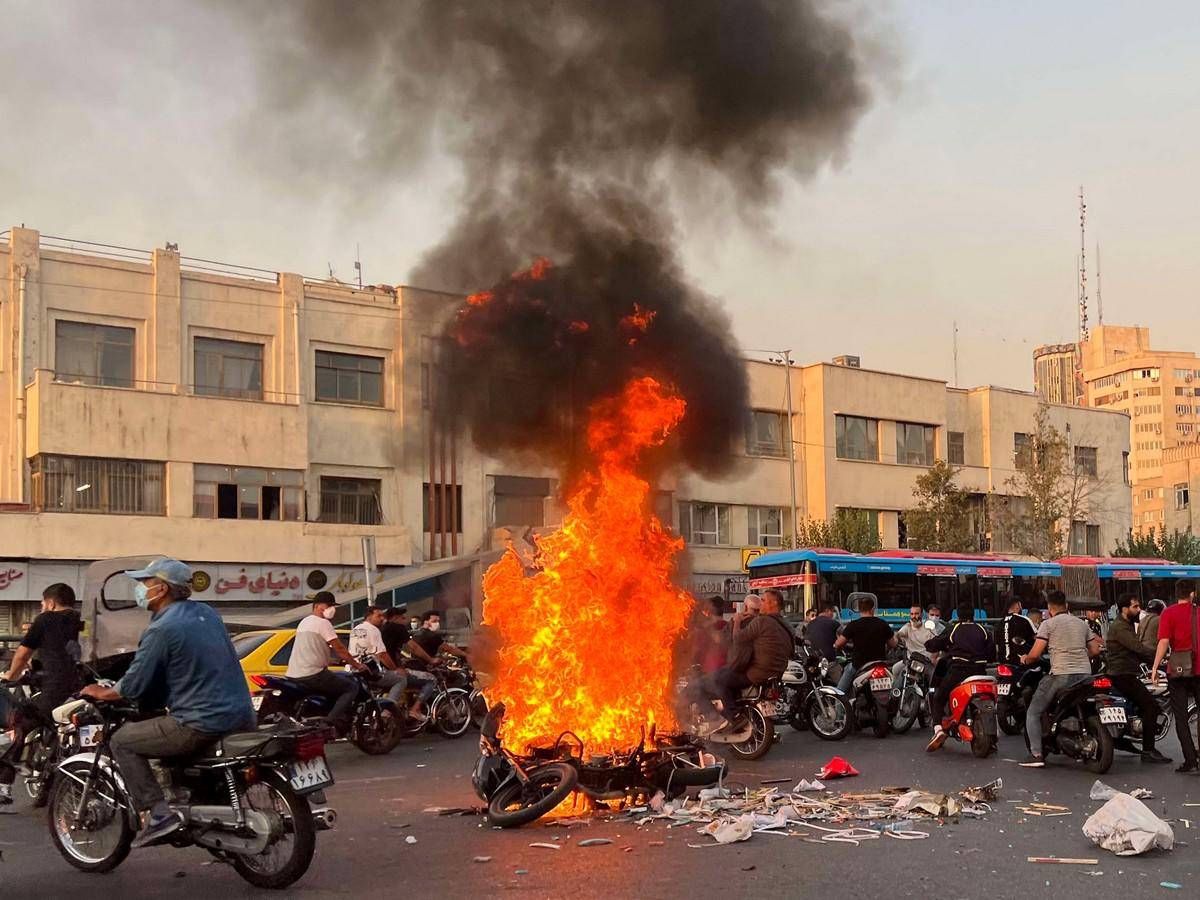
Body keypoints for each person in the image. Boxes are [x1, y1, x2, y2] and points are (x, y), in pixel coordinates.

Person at [79, 558, 256, 847]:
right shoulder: (207, 613)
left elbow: (134, 684)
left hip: (200, 722)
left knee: (122, 741)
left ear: (160, 589)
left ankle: (159, 813)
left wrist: (102, 692)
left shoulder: (163, 627)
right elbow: (185, 666)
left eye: (143, 584)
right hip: (242, 715)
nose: (139, 590)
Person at [0, 583, 83, 806]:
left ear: (50, 602)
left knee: (19, 724)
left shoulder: (45, 620)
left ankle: (4, 787)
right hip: (83, 689)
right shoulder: (81, 620)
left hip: (54, 690)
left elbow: (22, 652)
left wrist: (9, 676)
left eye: (41, 604)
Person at [1018, 591, 1103, 768]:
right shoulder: (1081, 624)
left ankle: (1036, 754)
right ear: (1067, 606)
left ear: (1049, 608)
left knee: (1033, 712)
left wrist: (1025, 658)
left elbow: (1035, 654)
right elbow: (1095, 650)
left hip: (1061, 675)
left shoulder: (1048, 624)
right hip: (1085, 675)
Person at [699, 589, 793, 730]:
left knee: (716, 680)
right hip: (776, 674)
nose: (761, 603)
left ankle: (731, 717)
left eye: (763, 600)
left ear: (773, 603)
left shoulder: (762, 621)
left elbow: (738, 638)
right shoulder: (786, 624)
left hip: (756, 674)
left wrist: (736, 621)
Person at [285, 592, 366, 736]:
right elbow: (340, 649)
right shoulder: (323, 623)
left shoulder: (304, 622)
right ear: (317, 606)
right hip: (313, 674)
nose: (332, 609)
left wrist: (331, 660)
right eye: (329, 605)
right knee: (351, 687)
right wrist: (357, 665)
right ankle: (329, 722)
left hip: (294, 673)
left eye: (333, 606)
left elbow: (311, 648)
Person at [1107, 594, 1171, 764]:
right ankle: (1148, 750)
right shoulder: (1120, 627)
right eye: (1135, 607)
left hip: (1127, 672)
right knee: (1150, 707)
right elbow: (1137, 648)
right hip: (1122, 675)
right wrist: (1159, 658)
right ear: (1124, 609)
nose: (1139, 610)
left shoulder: (1127, 625)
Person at [925, 603, 995, 751]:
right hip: (980, 671)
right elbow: (992, 654)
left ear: (958, 616)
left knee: (938, 697)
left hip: (958, 671)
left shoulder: (954, 629)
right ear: (973, 615)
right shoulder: (983, 630)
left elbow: (935, 643)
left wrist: (930, 644)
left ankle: (938, 730)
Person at [1151, 580, 1200, 774]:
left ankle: (1190, 760)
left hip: (1178, 670)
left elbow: (1164, 642)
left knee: (1181, 717)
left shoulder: (1168, 613)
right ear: (1192, 594)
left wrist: (1155, 667)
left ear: (1176, 593)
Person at [349, 605, 424, 721]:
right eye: (378, 616)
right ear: (369, 617)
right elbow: (382, 655)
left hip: (354, 670)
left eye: (382, 616)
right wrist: (395, 669)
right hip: (370, 672)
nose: (381, 619)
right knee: (400, 679)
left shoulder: (355, 629)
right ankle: (388, 710)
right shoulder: (374, 630)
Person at [834, 594, 898, 694]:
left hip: (858, 665)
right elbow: (893, 644)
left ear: (859, 609)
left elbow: (838, 644)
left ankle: (838, 708)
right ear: (873, 609)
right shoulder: (882, 624)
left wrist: (836, 644)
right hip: (880, 663)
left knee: (840, 693)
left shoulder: (853, 625)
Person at [892, 606, 932, 685]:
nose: (914, 616)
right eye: (912, 614)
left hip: (926, 661)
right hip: (910, 661)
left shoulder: (928, 627)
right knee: (895, 669)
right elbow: (898, 634)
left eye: (916, 613)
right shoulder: (907, 627)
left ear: (922, 615)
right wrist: (895, 638)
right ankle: (895, 694)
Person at [694, 596, 730, 674]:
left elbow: (697, 651)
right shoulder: (729, 626)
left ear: (710, 610)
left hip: (710, 671)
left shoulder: (705, 629)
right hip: (726, 670)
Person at [996, 597, 1036, 666]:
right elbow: (1037, 638)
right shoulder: (1024, 620)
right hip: (1021, 662)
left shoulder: (999, 624)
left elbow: (997, 645)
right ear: (1018, 606)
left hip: (1002, 662)